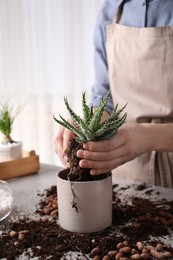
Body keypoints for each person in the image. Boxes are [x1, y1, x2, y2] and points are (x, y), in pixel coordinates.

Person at [55, 0, 173, 188]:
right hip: (124, 171)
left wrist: (148, 136)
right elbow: (105, 94)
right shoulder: (110, 10)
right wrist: (88, 124)